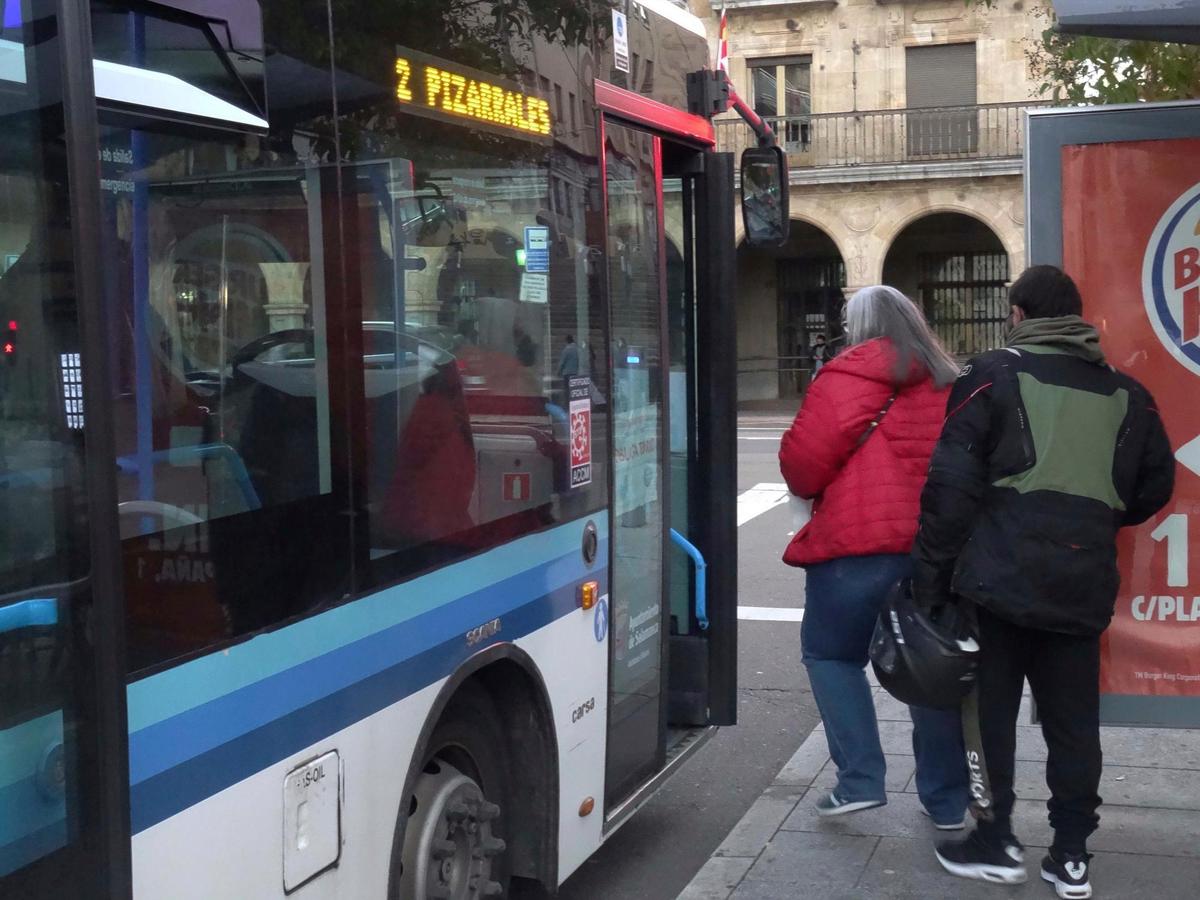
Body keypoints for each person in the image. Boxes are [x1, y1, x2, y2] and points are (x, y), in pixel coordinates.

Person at [913, 266, 1175, 897]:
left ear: (1020, 314)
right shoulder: (1128, 394)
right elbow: (1155, 485)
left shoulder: (993, 375)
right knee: (1073, 724)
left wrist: (930, 580)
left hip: (997, 582)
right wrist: (1095, 516)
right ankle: (1072, 854)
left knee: (990, 715)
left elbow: (950, 490)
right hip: (1081, 581)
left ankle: (996, 838)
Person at [780, 285, 969, 826]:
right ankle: (947, 801)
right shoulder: (951, 382)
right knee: (932, 667)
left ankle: (860, 780)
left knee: (831, 656)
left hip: (854, 549)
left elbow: (803, 469)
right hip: (934, 552)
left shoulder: (841, 379)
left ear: (857, 325)